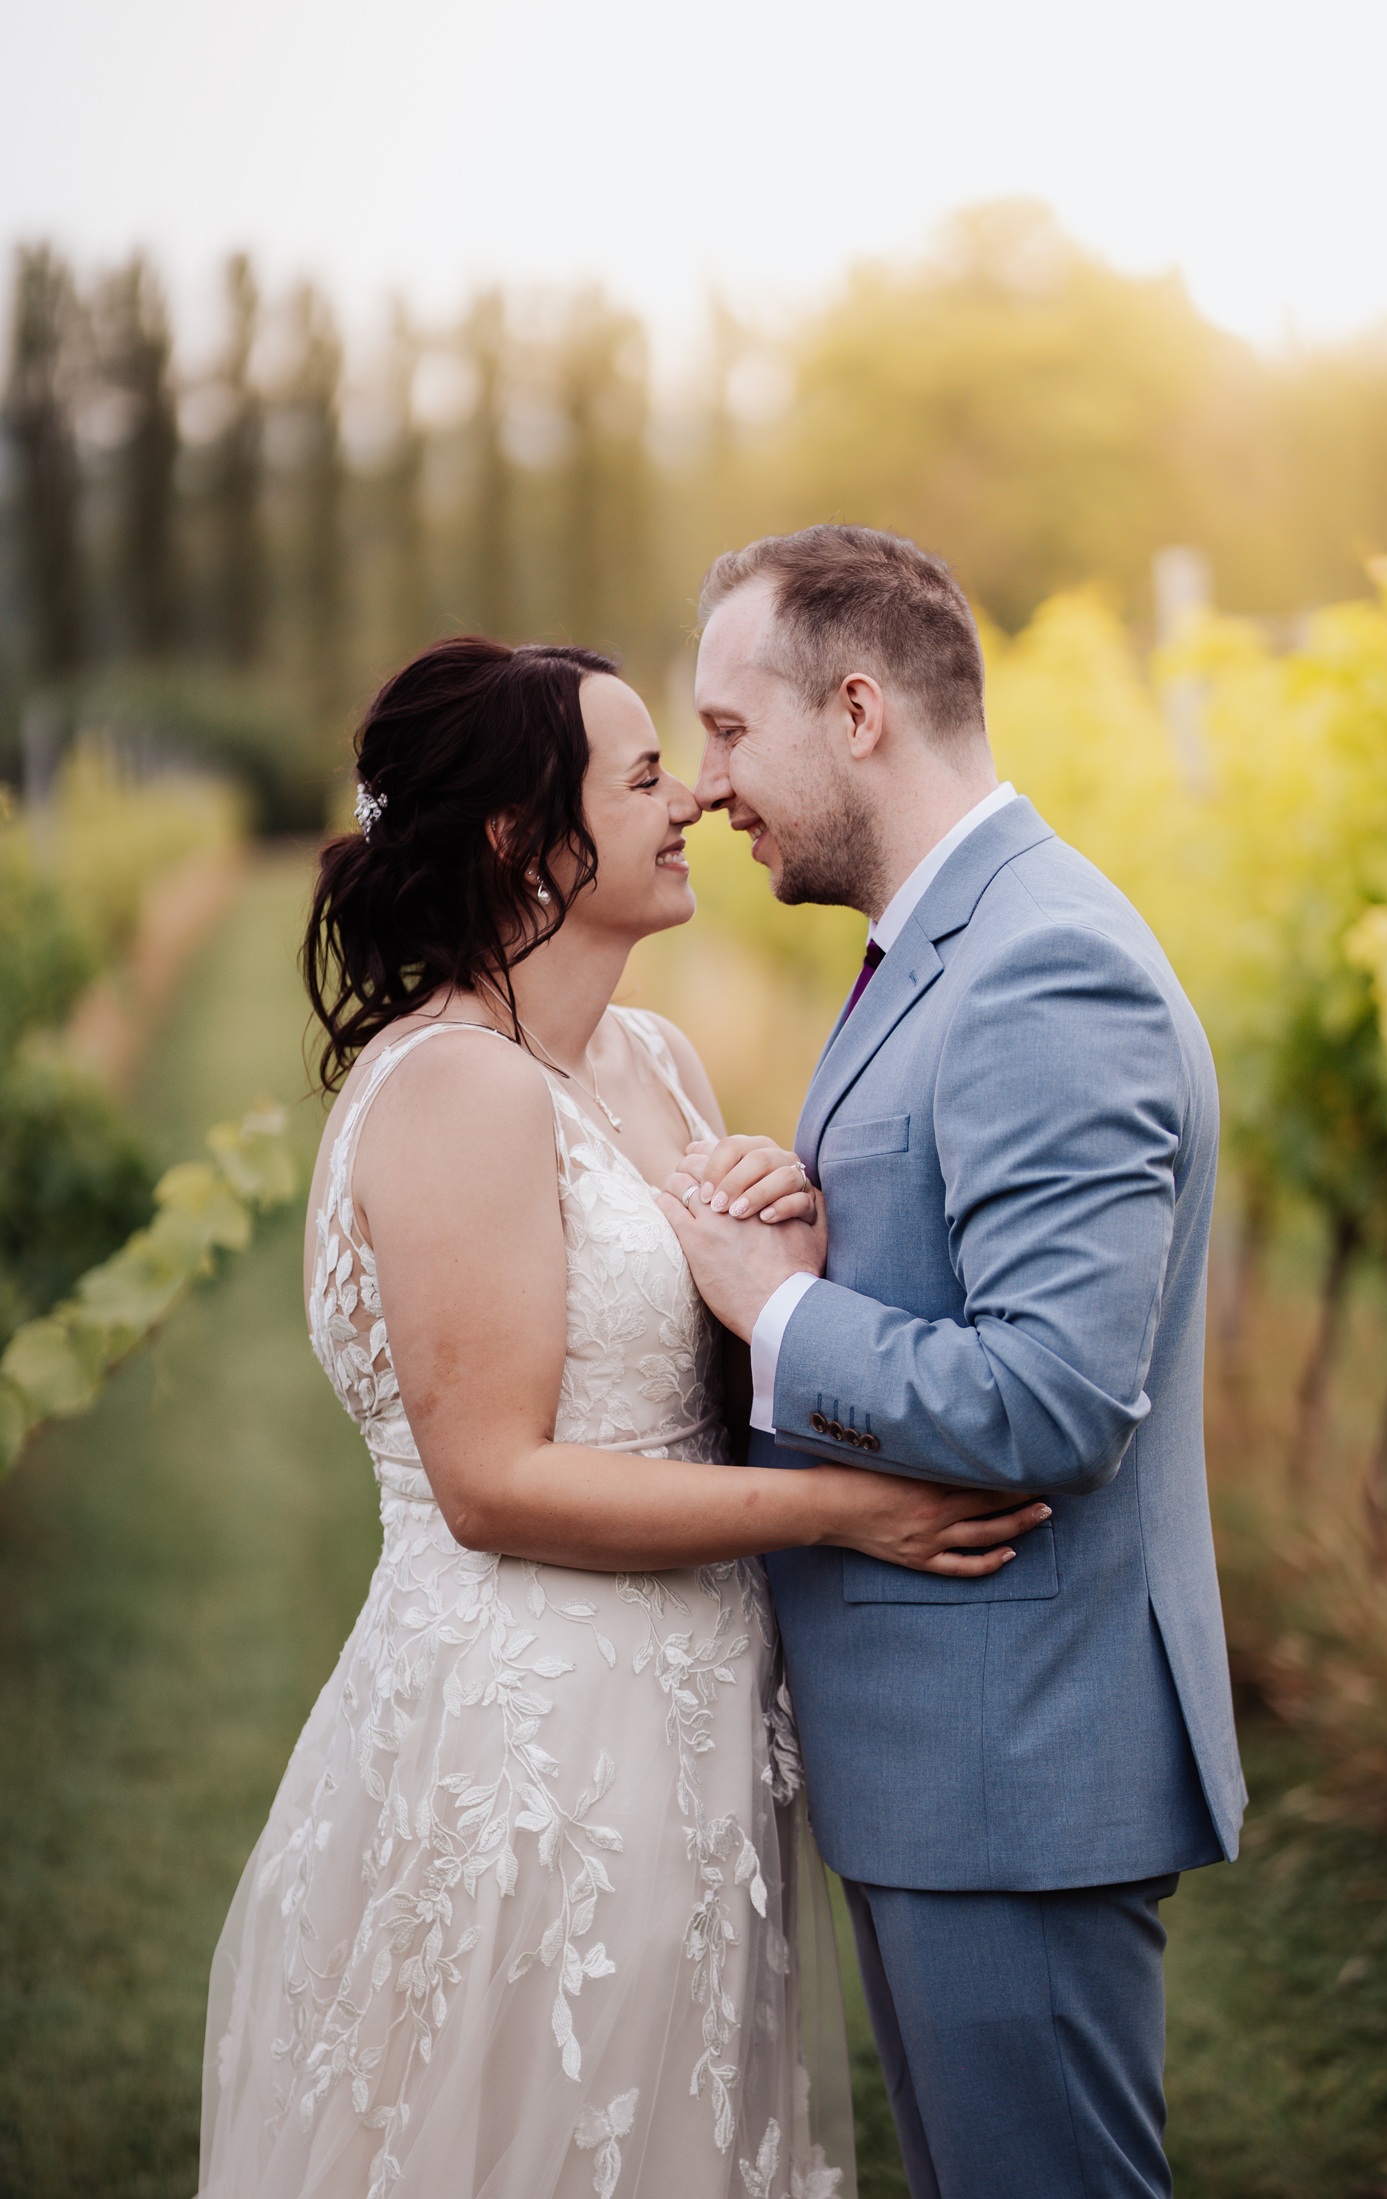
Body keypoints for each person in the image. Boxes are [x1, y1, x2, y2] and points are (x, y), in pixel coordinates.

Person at [195, 635, 1049, 2199]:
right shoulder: (460, 1088)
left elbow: (693, 1368)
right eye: (647, 776)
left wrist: (776, 1247)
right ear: (528, 839)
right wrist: (848, 1510)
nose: (695, 802)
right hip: (534, 1729)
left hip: (695, 1715)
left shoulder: (651, 1061)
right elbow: (497, 1485)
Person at [661, 525, 1247, 2199]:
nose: (707, 787)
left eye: (724, 729)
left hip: (1014, 1762)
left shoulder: (1036, 969)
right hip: (960, 1759)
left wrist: (768, 1312)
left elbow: (1053, 1399)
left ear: (855, 712)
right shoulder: (949, 943)